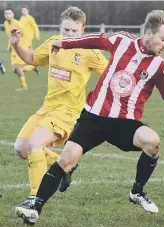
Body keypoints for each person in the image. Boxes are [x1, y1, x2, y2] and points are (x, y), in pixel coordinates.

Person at [15, 10, 164, 225]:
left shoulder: (159, 66)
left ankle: (137, 192)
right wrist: (64, 44)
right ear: (149, 33)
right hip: (93, 116)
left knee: (152, 141)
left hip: (124, 123)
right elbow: (94, 39)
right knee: (66, 159)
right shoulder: (121, 40)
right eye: (163, 39)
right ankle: (34, 207)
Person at [9, 6, 108, 209]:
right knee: (20, 148)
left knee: (34, 145)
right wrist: (17, 45)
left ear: (82, 29)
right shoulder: (54, 43)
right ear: (60, 28)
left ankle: (34, 198)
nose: (69, 34)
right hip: (47, 107)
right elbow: (31, 59)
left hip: (68, 112)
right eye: (66, 30)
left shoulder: (90, 52)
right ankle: (66, 165)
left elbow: (110, 76)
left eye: (74, 31)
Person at [3, 8, 37, 91]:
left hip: (20, 47)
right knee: (15, 69)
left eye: (9, 13)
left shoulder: (18, 24)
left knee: (17, 67)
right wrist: (9, 46)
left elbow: (26, 35)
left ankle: (24, 87)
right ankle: (32, 67)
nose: (8, 15)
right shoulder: (5, 24)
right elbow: (10, 36)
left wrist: (26, 47)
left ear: (13, 15)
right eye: (6, 13)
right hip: (14, 47)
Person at [19, 5, 40, 74]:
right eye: (22, 10)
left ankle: (26, 62)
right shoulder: (22, 18)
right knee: (30, 50)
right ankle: (35, 63)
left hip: (28, 37)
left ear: (27, 11)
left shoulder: (30, 18)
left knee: (23, 49)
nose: (23, 12)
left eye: (25, 10)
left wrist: (37, 36)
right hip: (23, 37)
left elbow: (35, 27)